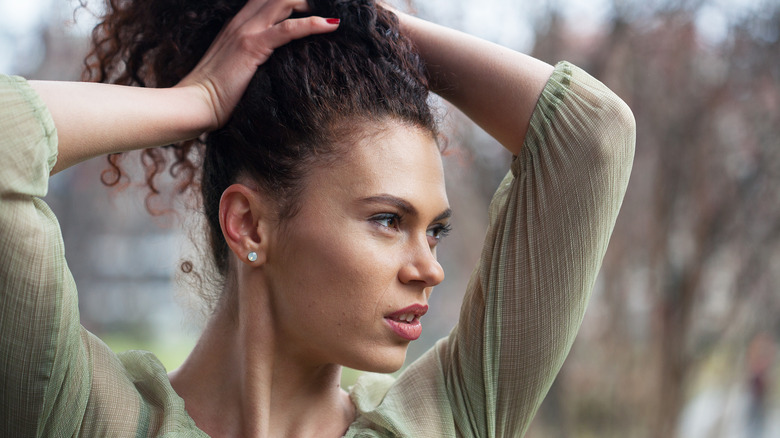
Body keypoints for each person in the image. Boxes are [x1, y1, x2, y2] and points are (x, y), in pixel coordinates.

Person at [0, 0, 635, 436]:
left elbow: (591, 138)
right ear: (249, 225)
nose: (429, 270)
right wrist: (201, 99)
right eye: (388, 220)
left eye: (434, 231)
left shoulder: (450, 420)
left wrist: (355, 19)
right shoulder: (86, 417)